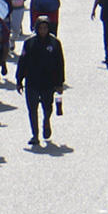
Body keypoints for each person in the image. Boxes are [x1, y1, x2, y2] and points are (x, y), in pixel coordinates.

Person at [15, 16, 68, 146]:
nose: (43, 30)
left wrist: (60, 83)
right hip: (32, 81)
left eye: (45, 28)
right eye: (40, 28)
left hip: (48, 82)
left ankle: (46, 122)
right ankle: (35, 134)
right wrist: (19, 80)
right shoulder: (30, 43)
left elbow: (60, 63)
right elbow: (22, 62)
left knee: (47, 106)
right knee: (32, 109)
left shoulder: (54, 43)